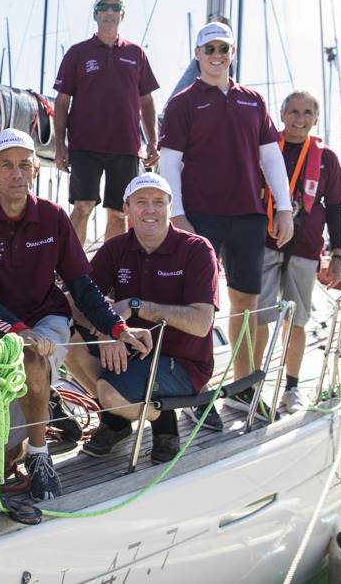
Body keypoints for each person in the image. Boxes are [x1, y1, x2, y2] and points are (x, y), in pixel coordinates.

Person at [0, 128, 150, 501]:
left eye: (25, 165)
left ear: (36, 171)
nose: (16, 174)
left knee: (33, 358)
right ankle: (39, 418)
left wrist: (118, 328)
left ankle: (41, 457)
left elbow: (82, 287)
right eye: (6, 166)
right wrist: (15, 329)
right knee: (0, 464)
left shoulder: (54, 217)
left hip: (47, 319)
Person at [159, 21, 294, 420]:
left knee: (247, 304)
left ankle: (243, 387)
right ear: (197, 54)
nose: (217, 54)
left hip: (249, 215)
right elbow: (170, 162)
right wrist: (178, 215)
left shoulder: (253, 100)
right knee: (198, 306)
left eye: (224, 48)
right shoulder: (183, 103)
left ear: (232, 53)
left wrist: (283, 207)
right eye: (209, 48)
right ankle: (191, 392)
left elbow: (271, 157)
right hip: (200, 215)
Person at [63, 173, 219, 463]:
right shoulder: (116, 248)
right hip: (133, 350)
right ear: (127, 209)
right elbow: (72, 302)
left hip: (182, 363)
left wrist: (136, 307)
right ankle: (119, 421)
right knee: (65, 335)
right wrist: (112, 329)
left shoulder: (197, 249)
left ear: (170, 207)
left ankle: (162, 422)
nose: (150, 209)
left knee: (110, 394)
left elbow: (201, 324)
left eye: (158, 202)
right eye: (141, 202)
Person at [252, 90, 341, 414]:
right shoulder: (265, 150)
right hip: (264, 245)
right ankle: (251, 386)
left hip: (305, 249)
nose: (299, 118)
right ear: (281, 115)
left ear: (315, 119)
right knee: (258, 318)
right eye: (293, 111)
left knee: (297, 320)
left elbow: (336, 207)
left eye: (307, 112)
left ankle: (291, 390)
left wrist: (338, 254)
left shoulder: (326, 158)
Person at [53, 0, 161, 245]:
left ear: (122, 14)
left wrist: (153, 141)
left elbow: (147, 100)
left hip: (126, 147)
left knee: (118, 211)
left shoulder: (136, 54)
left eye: (115, 7)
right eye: (103, 7)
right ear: (95, 15)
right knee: (83, 206)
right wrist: (60, 144)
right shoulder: (77, 53)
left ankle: (108, 273)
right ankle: (73, 270)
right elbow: (61, 101)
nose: (109, 12)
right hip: (84, 146)